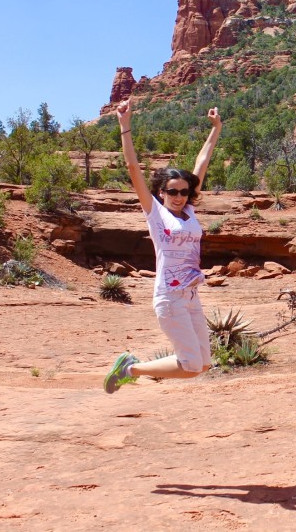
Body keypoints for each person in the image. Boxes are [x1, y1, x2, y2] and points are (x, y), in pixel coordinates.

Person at [103, 99, 222, 394]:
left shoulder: (190, 211)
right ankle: (130, 368)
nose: (179, 196)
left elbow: (202, 163)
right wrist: (124, 125)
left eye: (184, 191)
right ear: (161, 192)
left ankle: (132, 367)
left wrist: (216, 130)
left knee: (203, 365)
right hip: (169, 297)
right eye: (172, 191)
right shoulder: (156, 213)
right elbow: (133, 167)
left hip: (191, 296)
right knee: (191, 365)